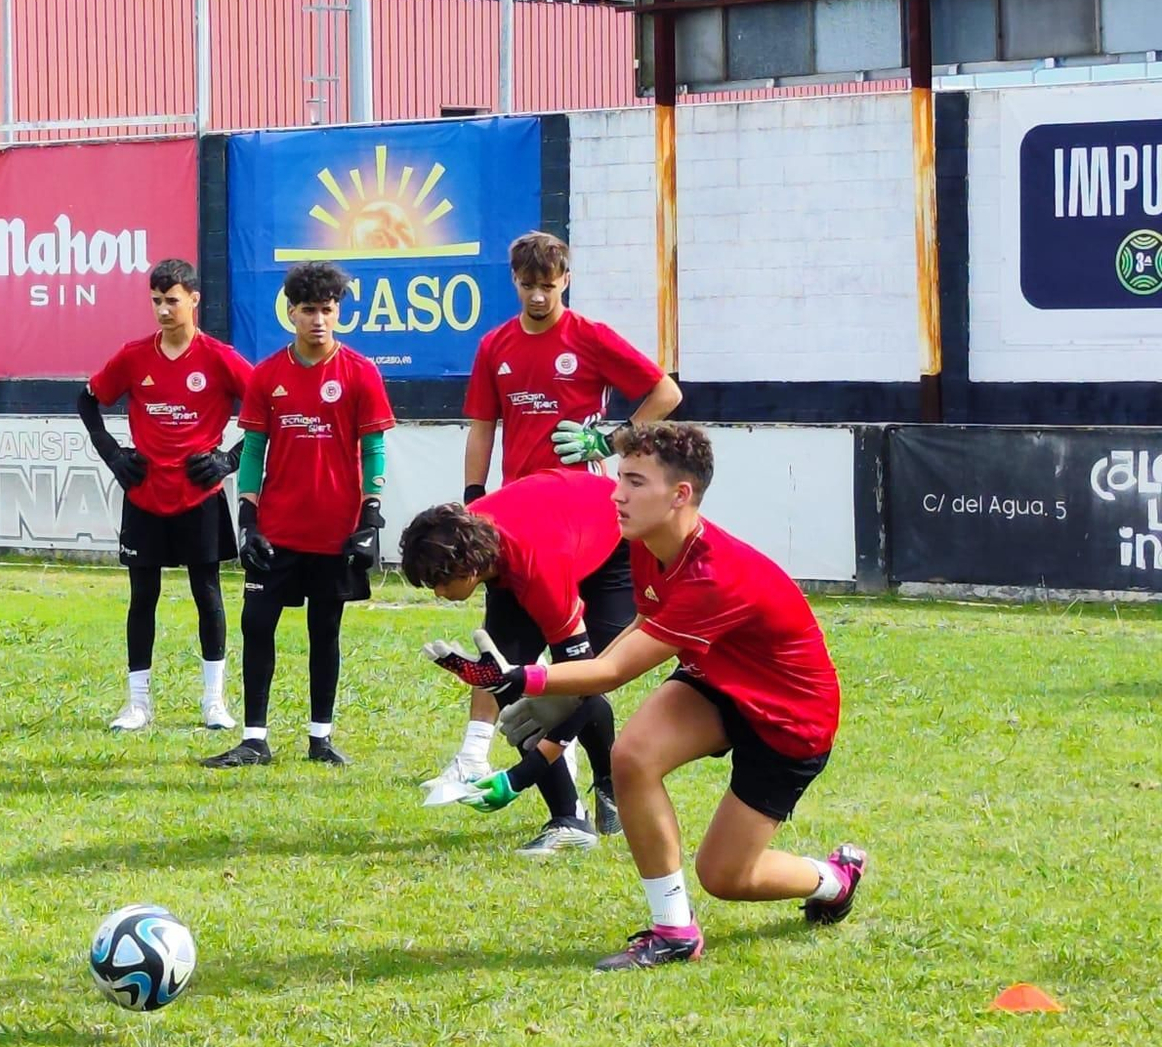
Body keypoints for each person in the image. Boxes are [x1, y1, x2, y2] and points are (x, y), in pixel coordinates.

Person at [426, 423, 866, 970]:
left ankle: (834, 879)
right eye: (620, 479)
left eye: (634, 482)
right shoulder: (645, 544)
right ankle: (674, 931)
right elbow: (640, 624)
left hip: (787, 718)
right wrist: (537, 684)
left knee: (726, 877)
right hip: (716, 682)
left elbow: (611, 671)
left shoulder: (714, 575)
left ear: (680, 495)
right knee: (632, 758)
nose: (616, 493)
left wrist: (525, 679)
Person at [203, 261, 394, 768]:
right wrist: (247, 518)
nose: (318, 320)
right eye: (308, 310)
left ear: (338, 313)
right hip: (278, 532)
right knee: (256, 625)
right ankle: (255, 739)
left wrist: (370, 518)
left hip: (335, 534)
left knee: (324, 632)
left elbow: (373, 449)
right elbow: (251, 453)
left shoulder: (361, 373)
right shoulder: (267, 375)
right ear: (291, 312)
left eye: (327, 310)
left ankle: (321, 738)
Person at [397, 465, 630, 855]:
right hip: (546, 533)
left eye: (439, 582)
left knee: (564, 688)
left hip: (611, 550)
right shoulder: (478, 543)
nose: (437, 593)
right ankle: (569, 819)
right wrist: (501, 682)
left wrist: (520, 777)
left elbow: (588, 685)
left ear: (467, 567)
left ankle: (611, 784)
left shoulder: (538, 569)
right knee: (510, 690)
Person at [80, 259, 253, 733]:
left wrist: (229, 460)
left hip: (199, 496)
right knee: (143, 596)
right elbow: (87, 399)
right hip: (145, 495)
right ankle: (138, 704)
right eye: (156, 301)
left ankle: (213, 702)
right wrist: (114, 456)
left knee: (208, 592)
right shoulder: (134, 356)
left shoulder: (219, 357)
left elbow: (268, 411)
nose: (162, 309)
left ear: (194, 300)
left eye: (171, 300)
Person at [461, 231, 681, 499]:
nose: (538, 297)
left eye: (547, 286)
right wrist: (473, 494)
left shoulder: (592, 337)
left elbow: (668, 394)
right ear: (514, 279)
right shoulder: (492, 345)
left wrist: (608, 443)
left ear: (566, 280)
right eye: (528, 285)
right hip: (518, 495)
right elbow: (482, 428)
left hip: (581, 492)